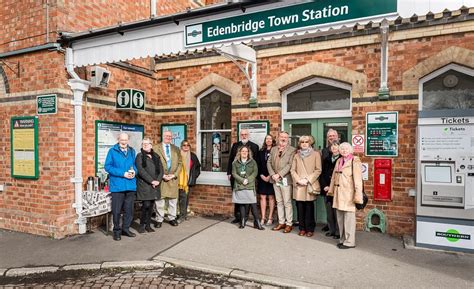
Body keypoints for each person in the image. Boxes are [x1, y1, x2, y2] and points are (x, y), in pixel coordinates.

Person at [329, 142, 363, 249]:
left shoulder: (355, 161)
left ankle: (349, 242)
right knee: (340, 218)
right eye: (342, 149)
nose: (344, 150)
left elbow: (358, 180)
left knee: (349, 219)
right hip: (339, 194)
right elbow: (334, 177)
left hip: (349, 195)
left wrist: (358, 195)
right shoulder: (339, 160)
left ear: (350, 150)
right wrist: (331, 191)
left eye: (346, 149)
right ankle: (342, 239)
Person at [104, 132, 137, 241]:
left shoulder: (132, 151)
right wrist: (123, 173)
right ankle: (116, 231)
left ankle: (126, 229)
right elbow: (107, 167)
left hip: (130, 185)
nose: (124, 142)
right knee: (117, 210)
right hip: (118, 185)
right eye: (122, 140)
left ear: (128, 140)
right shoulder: (112, 151)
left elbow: (135, 166)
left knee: (129, 210)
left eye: (126, 140)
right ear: (118, 140)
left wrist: (134, 172)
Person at [290, 135, 322, 237]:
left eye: (306, 142)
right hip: (299, 185)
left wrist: (307, 180)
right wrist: (299, 180)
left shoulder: (316, 154)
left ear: (310, 143)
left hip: (309, 185)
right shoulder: (296, 155)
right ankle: (302, 228)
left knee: (309, 208)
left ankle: (310, 229)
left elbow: (318, 170)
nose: (304, 144)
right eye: (302, 142)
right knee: (300, 207)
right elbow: (292, 170)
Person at [227, 129, 259, 223]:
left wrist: (253, 178)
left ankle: (245, 218)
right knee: (238, 197)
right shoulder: (235, 145)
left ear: (248, 135)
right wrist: (229, 172)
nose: (244, 136)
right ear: (240, 135)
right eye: (242, 134)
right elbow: (230, 160)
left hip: (250, 178)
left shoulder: (254, 146)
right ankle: (238, 217)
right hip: (237, 177)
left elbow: (256, 164)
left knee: (249, 198)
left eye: (245, 134)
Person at [267, 131, 296, 233]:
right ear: (278, 138)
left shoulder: (292, 150)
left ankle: (289, 224)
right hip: (275, 180)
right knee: (279, 202)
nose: (283, 138)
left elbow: (290, 164)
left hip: (285, 179)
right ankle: (281, 222)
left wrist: (279, 175)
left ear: (288, 139)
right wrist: (273, 175)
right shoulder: (274, 149)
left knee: (287, 202)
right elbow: (269, 162)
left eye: (285, 137)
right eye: (282, 136)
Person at [154, 130, 182, 227]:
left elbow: (180, 164)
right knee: (160, 201)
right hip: (161, 178)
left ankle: (172, 218)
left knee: (173, 200)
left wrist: (174, 175)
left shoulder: (176, 149)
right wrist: (162, 175)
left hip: (172, 178)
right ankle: (159, 219)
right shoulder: (155, 148)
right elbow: (153, 165)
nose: (168, 138)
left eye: (170, 136)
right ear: (162, 136)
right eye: (166, 136)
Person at [135, 137, 164, 234]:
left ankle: (148, 225)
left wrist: (158, 180)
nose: (145, 145)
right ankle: (142, 225)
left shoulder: (156, 156)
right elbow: (141, 171)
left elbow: (161, 170)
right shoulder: (139, 156)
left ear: (151, 145)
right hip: (145, 185)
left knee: (151, 205)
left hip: (155, 185)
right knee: (146, 205)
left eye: (147, 143)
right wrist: (152, 181)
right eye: (143, 144)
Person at [231, 146, 264, 230]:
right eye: (243, 151)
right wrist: (242, 180)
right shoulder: (235, 163)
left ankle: (257, 222)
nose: (245, 153)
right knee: (242, 204)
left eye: (246, 151)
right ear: (240, 153)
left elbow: (255, 172)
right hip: (239, 185)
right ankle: (242, 222)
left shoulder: (253, 162)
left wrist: (248, 180)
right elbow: (234, 173)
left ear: (248, 153)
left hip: (249, 186)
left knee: (253, 204)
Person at [320, 141, 340, 239]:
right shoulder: (327, 159)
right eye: (332, 147)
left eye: (336, 147)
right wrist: (324, 186)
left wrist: (331, 187)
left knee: (337, 211)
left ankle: (338, 232)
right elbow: (322, 174)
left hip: (336, 189)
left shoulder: (341, 159)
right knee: (329, 211)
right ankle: (331, 230)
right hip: (326, 189)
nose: (334, 149)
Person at [177, 140, 201, 223]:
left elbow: (198, 167)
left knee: (186, 199)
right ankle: (181, 216)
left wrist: (194, 176)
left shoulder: (193, 156)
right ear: (181, 146)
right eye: (184, 145)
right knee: (182, 198)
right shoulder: (178, 155)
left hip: (189, 181)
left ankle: (184, 215)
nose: (186, 146)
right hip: (180, 181)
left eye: (188, 145)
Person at [257, 135, 276, 226]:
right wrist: (261, 175)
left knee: (271, 197)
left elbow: (277, 165)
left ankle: (270, 218)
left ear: (273, 141)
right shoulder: (261, 152)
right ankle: (263, 217)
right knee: (262, 197)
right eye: (267, 139)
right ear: (265, 140)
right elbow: (258, 165)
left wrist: (270, 175)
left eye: (270, 139)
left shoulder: (275, 151)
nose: (268, 140)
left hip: (272, 177)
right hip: (262, 177)